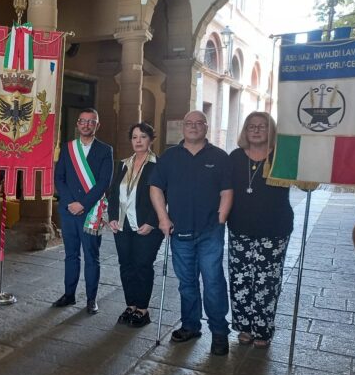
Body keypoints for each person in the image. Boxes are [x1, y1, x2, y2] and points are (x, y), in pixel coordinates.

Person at [149, 110, 233, 356]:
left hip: (210, 233)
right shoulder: (170, 156)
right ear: (183, 127)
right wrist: (163, 218)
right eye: (189, 123)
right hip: (180, 232)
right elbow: (155, 188)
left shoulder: (219, 157)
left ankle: (219, 332)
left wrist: (220, 219)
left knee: (213, 282)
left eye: (199, 123)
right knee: (187, 284)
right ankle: (190, 326)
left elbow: (227, 191)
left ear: (206, 127)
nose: (194, 127)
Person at [227, 112, 293, 348]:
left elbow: (305, 180)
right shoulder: (234, 157)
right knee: (240, 279)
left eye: (262, 126)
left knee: (267, 281)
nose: (256, 130)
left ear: (271, 131)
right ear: (245, 131)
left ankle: (263, 330)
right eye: (251, 126)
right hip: (240, 227)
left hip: (274, 228)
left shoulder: (282, 156)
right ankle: (244, 327)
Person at [53, 108, 114, 315]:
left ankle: (91, 299)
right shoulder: (68, 148)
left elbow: (104, 182)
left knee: (91, 256)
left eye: (91, 122)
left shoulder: (106, 150)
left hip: (91, 211)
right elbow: (59, 178)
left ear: (97, 125)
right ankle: (69, 295)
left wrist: (83, 204)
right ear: (77, 124)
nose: (86, 125)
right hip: (68, 211)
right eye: (83, 121)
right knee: (71, 255)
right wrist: (70, 202)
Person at [107, 123, 164, 328]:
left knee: (142, 266)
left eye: (142, 137)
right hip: (122, 225)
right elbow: (113, 193)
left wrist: (152, 222)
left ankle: (142, 309)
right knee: (127, 266)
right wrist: (112, 216)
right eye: (134, 137)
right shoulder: (123, 164)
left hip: (147, 226)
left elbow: (163, 196)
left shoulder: (159, 164)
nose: (138, 141)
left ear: (151, 140)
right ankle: (130, 305)